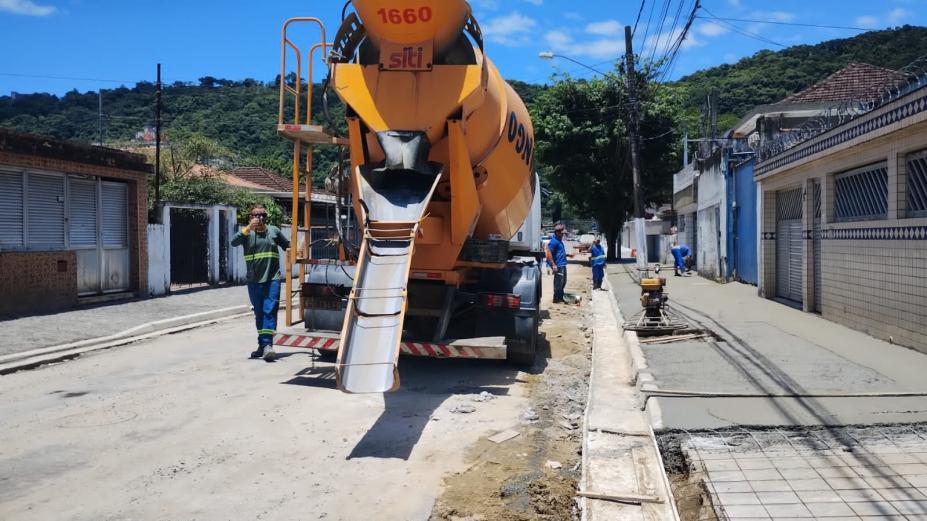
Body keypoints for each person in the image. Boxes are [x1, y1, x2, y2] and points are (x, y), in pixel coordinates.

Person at [231, 205, 290, 361]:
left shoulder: (274, 231)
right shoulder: (247, 234)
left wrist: (296, 249)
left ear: (266, 217)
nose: (259, 218)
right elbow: (233, 242)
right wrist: (248, 228)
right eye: (255, 216)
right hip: (254, 280)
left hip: (272, 279)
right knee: (259, 313)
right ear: (250, 218)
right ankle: (262, 345)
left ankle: (268, 345)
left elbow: (288, 246)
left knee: (269, 311)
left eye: (262, 215)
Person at [546, 223, 569, 303]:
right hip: (558, 265)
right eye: (562, 233)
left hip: (562, 264)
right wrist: (553, 264)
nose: (563, 235)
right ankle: (556, 298)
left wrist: (568, 255)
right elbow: (549, 253)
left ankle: (560, 297)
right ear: (557, 232)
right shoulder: (554, 241)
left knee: (563, 281)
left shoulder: (559, 241)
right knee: (558, 282)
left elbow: (558, 253)